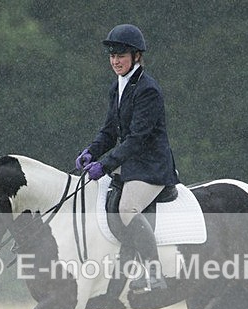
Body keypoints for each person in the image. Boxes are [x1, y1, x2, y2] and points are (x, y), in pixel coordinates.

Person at [75, 23, 179, 294]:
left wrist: (105, 165)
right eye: (112, 56)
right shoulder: (117, 87)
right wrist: (91, 152)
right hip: (133, 165)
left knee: (126, 209)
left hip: (153, 168)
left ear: (136, 56)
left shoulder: (148, 89)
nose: (115, 61)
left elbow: (137, 138)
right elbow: (110, 131)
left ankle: (154, 273)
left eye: (121, 55)